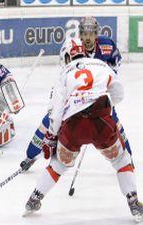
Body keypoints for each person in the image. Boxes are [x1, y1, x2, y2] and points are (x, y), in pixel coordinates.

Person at [23, 38, 143, 223]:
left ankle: (34, 198)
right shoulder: (102, 65)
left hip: (73, 125)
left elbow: (55, 111)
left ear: (66, 55)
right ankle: (134, 202)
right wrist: (99, 105)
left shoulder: (65, 74)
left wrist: (50, 138)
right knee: (121, 160)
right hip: (101, 120)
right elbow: (118, 93)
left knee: (58, 165)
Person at [20, 16, 128, 171]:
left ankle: (127, 157)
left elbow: (116, 63)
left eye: (91, 34)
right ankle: (30, 156)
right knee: (51, 118)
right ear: (80, 34)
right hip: (76, 97)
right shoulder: (73, 47)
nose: (88, 38)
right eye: (85, 34)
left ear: (96, 34)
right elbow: (66, 72)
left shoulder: (107, 46)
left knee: (115, 121)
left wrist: (105, 82)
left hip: (99, 95)